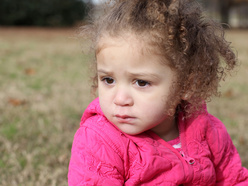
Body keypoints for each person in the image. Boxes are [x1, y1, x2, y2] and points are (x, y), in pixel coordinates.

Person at [68, 0, 248, 185]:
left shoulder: (207, 129)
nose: (120, 99)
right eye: (108, 80)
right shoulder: (98, 142)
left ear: (186, 85)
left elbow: (234, 180)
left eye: (141, 82)